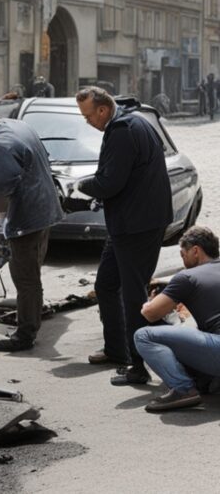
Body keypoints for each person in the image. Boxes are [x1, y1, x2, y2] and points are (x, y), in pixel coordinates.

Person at [74, 86, 173, 386]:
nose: (87, 122)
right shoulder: (130, 121)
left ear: (103, 110)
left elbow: (109, 182)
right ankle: (117, 350)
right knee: (106, 284)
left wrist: (80, 186)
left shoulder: (122, 129)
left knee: (133, 296)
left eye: (88, 115)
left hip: (137, 225)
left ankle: (139, 365)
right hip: (129, 222)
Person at [0, 106, 64, 351]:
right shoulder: (17, 125)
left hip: (29, 216)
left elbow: (4, 186)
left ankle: (25, 334)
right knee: (32, 271)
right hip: (45, 209)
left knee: (24, 276)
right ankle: (32, 318)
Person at [134, 226, 220, 412]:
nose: (183, 260)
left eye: (183, 254)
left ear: (195, 251)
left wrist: (147, 305)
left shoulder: (187, 277)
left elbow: (151, 313)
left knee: (144, 336)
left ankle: (183, 390)